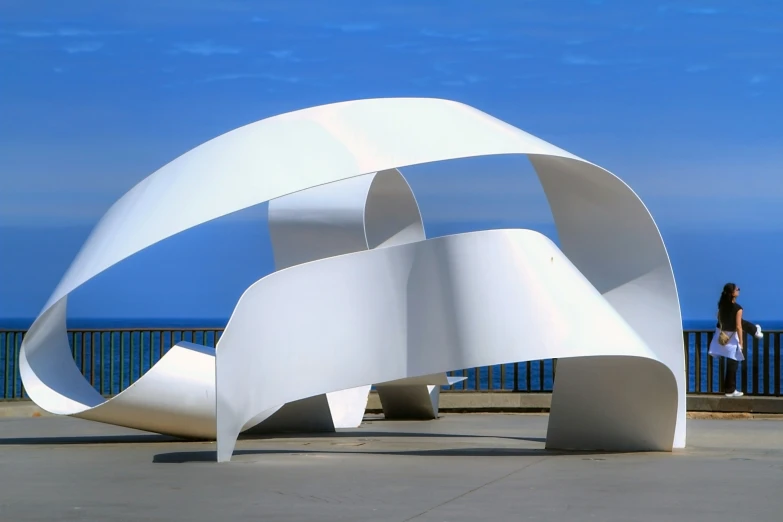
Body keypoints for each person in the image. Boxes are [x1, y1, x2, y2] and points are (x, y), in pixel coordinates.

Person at [708, 283, 763, 397]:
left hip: (722, 336)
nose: (739, 289)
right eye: (737, 289)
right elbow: (738, 327)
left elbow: (719, 317)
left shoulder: (722, 305)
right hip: (732, 339)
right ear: (732, 293)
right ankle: (730, 390)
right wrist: (741, 343)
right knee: (733, 363)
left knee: (732, 363)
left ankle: (729, 389)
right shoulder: (738, 308)